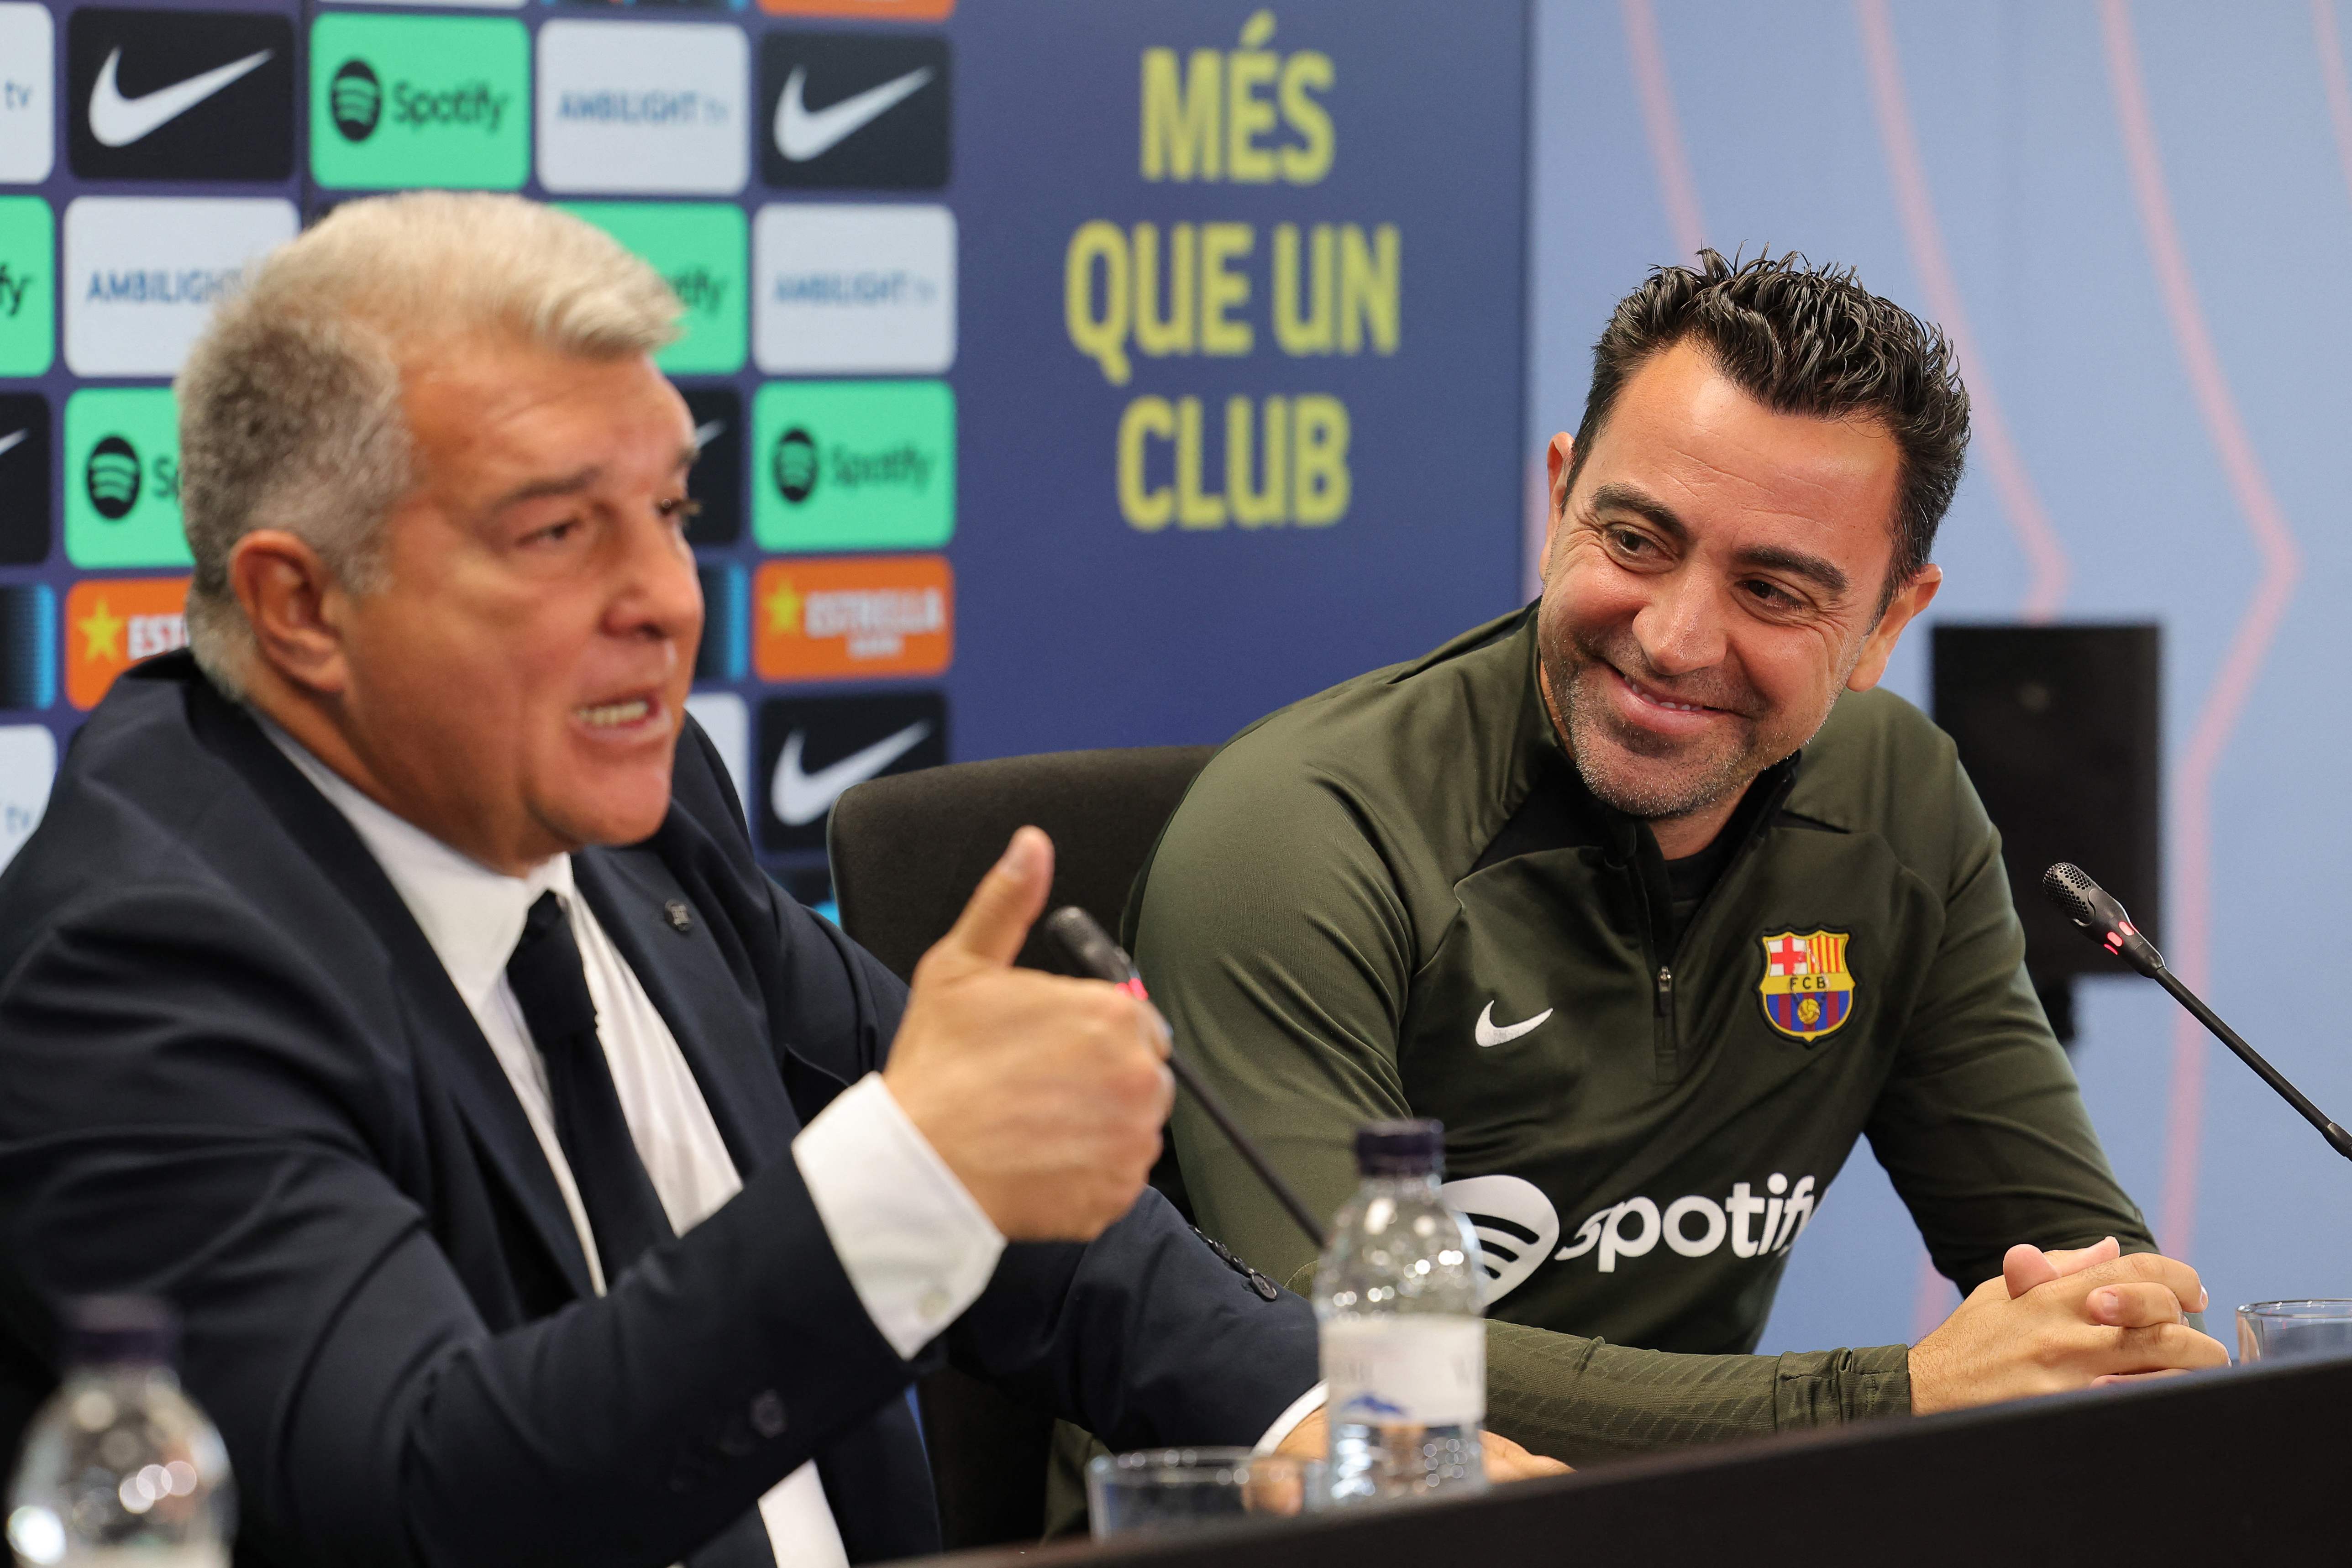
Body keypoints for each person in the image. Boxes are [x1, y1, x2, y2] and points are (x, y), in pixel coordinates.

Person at [0, 194, 1553, 1568]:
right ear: (302, 607)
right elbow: (435, 1492)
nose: (666, 600)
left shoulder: (635, 807)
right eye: (557, 531)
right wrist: (913, 1173)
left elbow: (1017, 1203)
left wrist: (1319, 1413)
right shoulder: (144, 966)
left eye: (672, 513)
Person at [1126, 251, 2229, 1463]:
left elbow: (2080, 1261)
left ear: (1885, 624)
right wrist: (1891, 1396)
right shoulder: (1301, 834)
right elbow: (1349, 1352)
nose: (1673, 637)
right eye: (1639, 538)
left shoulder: (1899, 801)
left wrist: (2116, 1329)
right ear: (1560, 500)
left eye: (1771, 589)